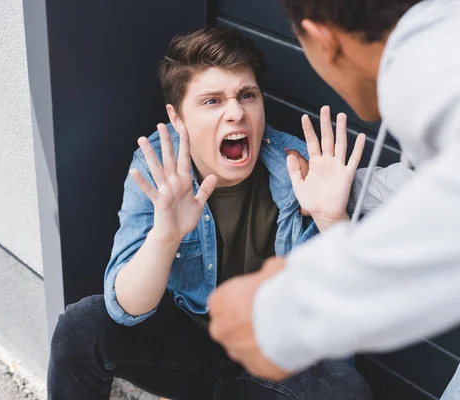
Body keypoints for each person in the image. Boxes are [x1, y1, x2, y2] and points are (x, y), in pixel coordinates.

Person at [46, 26, 374, 399]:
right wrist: (165, 238)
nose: (236, 112)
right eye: (212, 101)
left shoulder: (301, 171)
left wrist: (332, 219)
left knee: (344, 390)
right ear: (178, 118)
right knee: (81, 326)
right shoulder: (158, 168)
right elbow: (125, 309)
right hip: (188, 350)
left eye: (246, 95)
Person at [207, 1, 460, 396]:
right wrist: (340, 195)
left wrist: (285, 310)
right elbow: (432, 186)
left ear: (323, 40)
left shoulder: (428, 71)